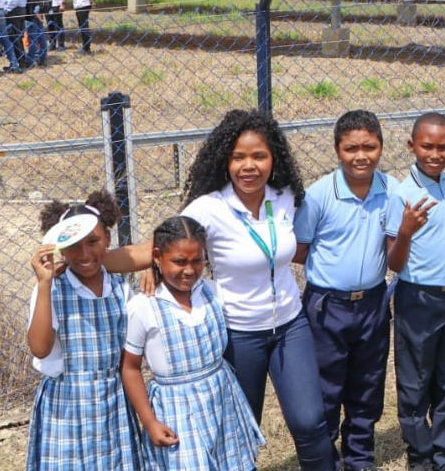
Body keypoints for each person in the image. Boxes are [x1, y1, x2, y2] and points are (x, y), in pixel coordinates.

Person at [104, 109, 337, 470]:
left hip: (291, 326)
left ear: (273, 159)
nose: (249, 166)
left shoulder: (285, 197)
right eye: (238, 157)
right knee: (241, 426)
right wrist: (85, 258)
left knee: (310, 422)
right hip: (238, 334)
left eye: (259, 156)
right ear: (225, 161)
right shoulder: (209, 208)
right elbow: (157, 247)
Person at [293, 110, 398, 471]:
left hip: (373, 303)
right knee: (326, 387)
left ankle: (360, 459)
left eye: (369, 147)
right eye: (351, 148)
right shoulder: (319, 195)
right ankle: (325, 459)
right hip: (327, 306)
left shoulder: (391, 190)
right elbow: (300, 249)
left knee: (367, 385)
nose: (361, 156)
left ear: (381, 146)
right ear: (337, 150)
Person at [121, 216, 265, 471]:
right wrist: (150, 421)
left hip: (222, 400)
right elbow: (130, 367)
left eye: (197, 260)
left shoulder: (213, 292)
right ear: (157, 256)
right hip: (176, 409)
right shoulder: (142, 307)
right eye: (179, 261)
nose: (189, 270)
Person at [26, 190, 144, 470]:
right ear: (59, 248)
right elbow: (40, 348)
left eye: (93, 241)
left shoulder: (120, 289)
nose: (84, 253)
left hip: (113, 402)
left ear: (108, 240)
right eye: (73, 245)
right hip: (66, 405)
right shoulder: (52, 289)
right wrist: (44, 284)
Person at [386, 113, 445, 471]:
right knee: (416, 381)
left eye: (443, 147)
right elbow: (394, 262)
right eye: (427, 146)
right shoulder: (401, 193)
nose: (435, 154)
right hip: (420, 298)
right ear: (412, 146)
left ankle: (442, 453)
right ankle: (420, 455)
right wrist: (406, 231)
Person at [22, 0, 48, 67]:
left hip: (31, 15)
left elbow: (30, 2)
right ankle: (43, 57)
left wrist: (34, 13)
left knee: (32, 38)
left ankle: (30, 59)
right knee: (41, 35)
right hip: (39, 13)